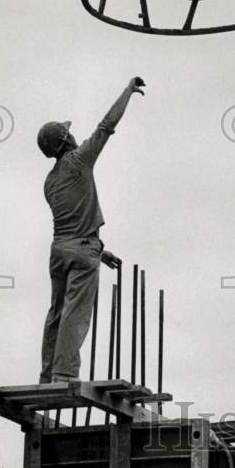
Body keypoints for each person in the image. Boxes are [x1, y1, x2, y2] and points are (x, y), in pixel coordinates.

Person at [37, 77, 145, 384]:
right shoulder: (79, 161)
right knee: (76, 313)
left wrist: (101, 250)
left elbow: (71, 223)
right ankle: (64, 374)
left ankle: (47, 375)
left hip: (59, 252)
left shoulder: (50, 182)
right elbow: (105, 126)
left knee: (56, 313)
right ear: (67, 141)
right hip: (81, 252)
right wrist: (127, 91)